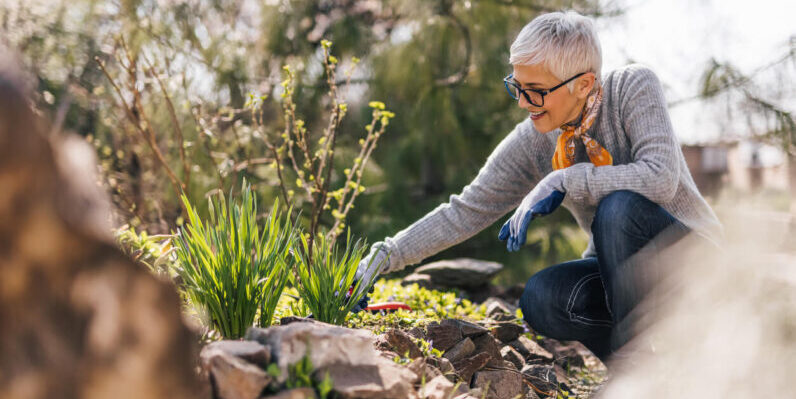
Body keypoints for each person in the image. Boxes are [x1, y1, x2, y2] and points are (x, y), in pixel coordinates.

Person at [352, 10, 722, 365]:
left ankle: (638, 370)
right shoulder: (535, 139)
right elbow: (466, 209)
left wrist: (566, 178)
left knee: (618, 207)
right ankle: (642, 377)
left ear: (584, 84)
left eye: (536, 90)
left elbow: (659, 177)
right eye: (517, 86)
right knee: (542, 297)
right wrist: (384, 256)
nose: (524, 103)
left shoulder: (633, 87)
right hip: (622, 282)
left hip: (697, 266)